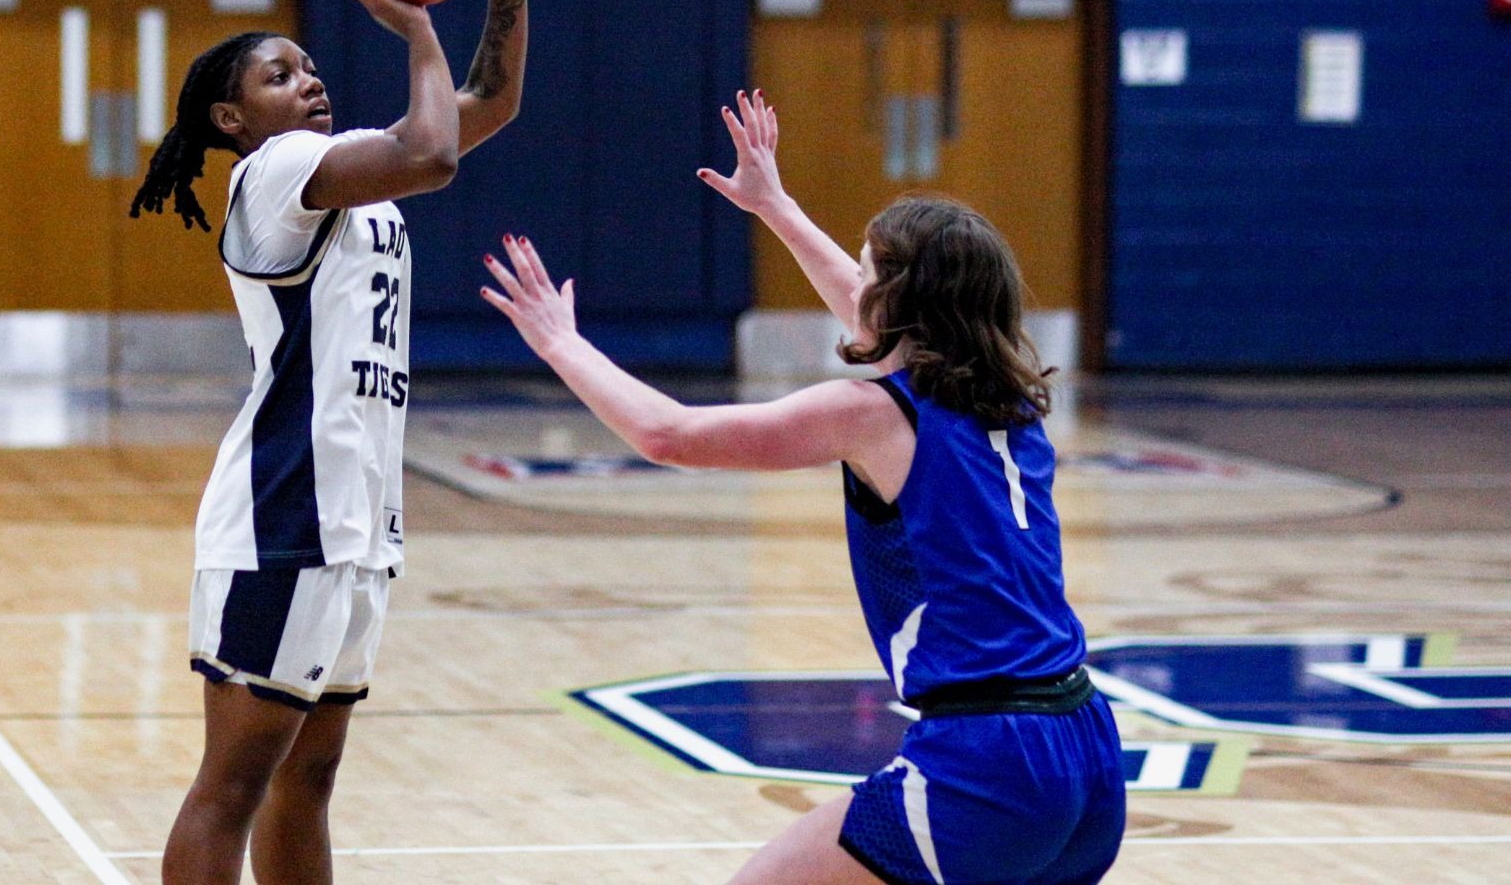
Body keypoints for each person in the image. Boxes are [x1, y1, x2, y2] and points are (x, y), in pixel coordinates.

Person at [479, 90, 1124, 885]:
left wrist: (560, 344)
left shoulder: (872, 416)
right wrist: (774, 205)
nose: (854, 282)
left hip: (989, 760)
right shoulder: (1011, 399)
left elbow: (668, 435)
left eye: (866, 267)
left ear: (902, 300)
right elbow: (872, 316)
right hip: (1086, 746)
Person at [128, 0, 527, 885]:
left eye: (309, 66)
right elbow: (438, 149)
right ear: (232, 120)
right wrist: (418, 22)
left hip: (356, 524)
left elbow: (485, 109)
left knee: (308, 784)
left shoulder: (355, 180)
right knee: (233, 785)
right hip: (282, 519)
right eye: (279, 74)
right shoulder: (274, 176)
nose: (308, 80)